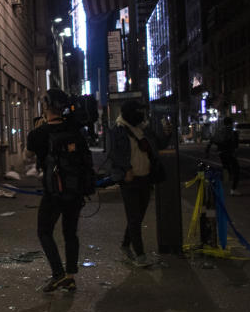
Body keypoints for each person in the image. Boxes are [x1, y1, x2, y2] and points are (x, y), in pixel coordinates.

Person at [27, 89, 95, 292]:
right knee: (70, 233)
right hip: (75, 191)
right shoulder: (75, 130)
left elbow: (28, 155)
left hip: (53, 191)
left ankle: (57, 273)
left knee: (44, 231)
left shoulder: (39, 133)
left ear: (46, 106)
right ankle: (70, 275)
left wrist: (38, 129)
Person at [108, 100, 162, 267]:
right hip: (130, 179)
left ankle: (125, 245)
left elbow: (158, 145)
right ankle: (140, 255)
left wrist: (166, 133)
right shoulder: (118, 130)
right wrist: (126, 169)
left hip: (145, 177)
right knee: (134, 217)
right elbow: (115, 154)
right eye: (137, 111)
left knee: (138, 216)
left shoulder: (142, 128)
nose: (140, 115)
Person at [205, 116, 240, 194]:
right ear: (230, 123)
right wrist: (234, 151)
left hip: (221, 152)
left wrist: (207, 152)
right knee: (236, 170)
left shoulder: (219, 130)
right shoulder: (230, 131)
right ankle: (233, 189)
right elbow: (233, 143)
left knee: (226, 167)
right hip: (228, 152)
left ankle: (223, 182)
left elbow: (211, 141)